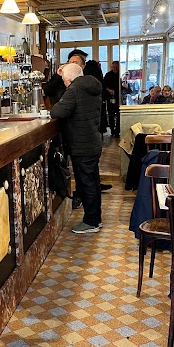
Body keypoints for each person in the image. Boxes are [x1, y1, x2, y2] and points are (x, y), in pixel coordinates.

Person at [50, 63, 103, 233]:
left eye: (65, 81)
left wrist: (65, 86)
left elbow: (57, 111)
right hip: (93, 141)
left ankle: (91, 222)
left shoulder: (74, 90)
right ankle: (95, 218)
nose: (65, 84)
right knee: (93, 182)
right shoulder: (92, 86)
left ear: (70, 79)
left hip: (81, 144)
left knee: (86, 183)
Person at [103, 60, 120, 136]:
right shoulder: (108, 75)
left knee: (119, 114)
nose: (115, 68)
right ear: (111, 67)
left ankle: (118, 130)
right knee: (111, 114)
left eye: (116, 67)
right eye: (114, 67)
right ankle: (112, 129)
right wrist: (109, 90)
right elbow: (104, 85)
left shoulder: (120, 75)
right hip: (110, 97)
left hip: (119, 98)